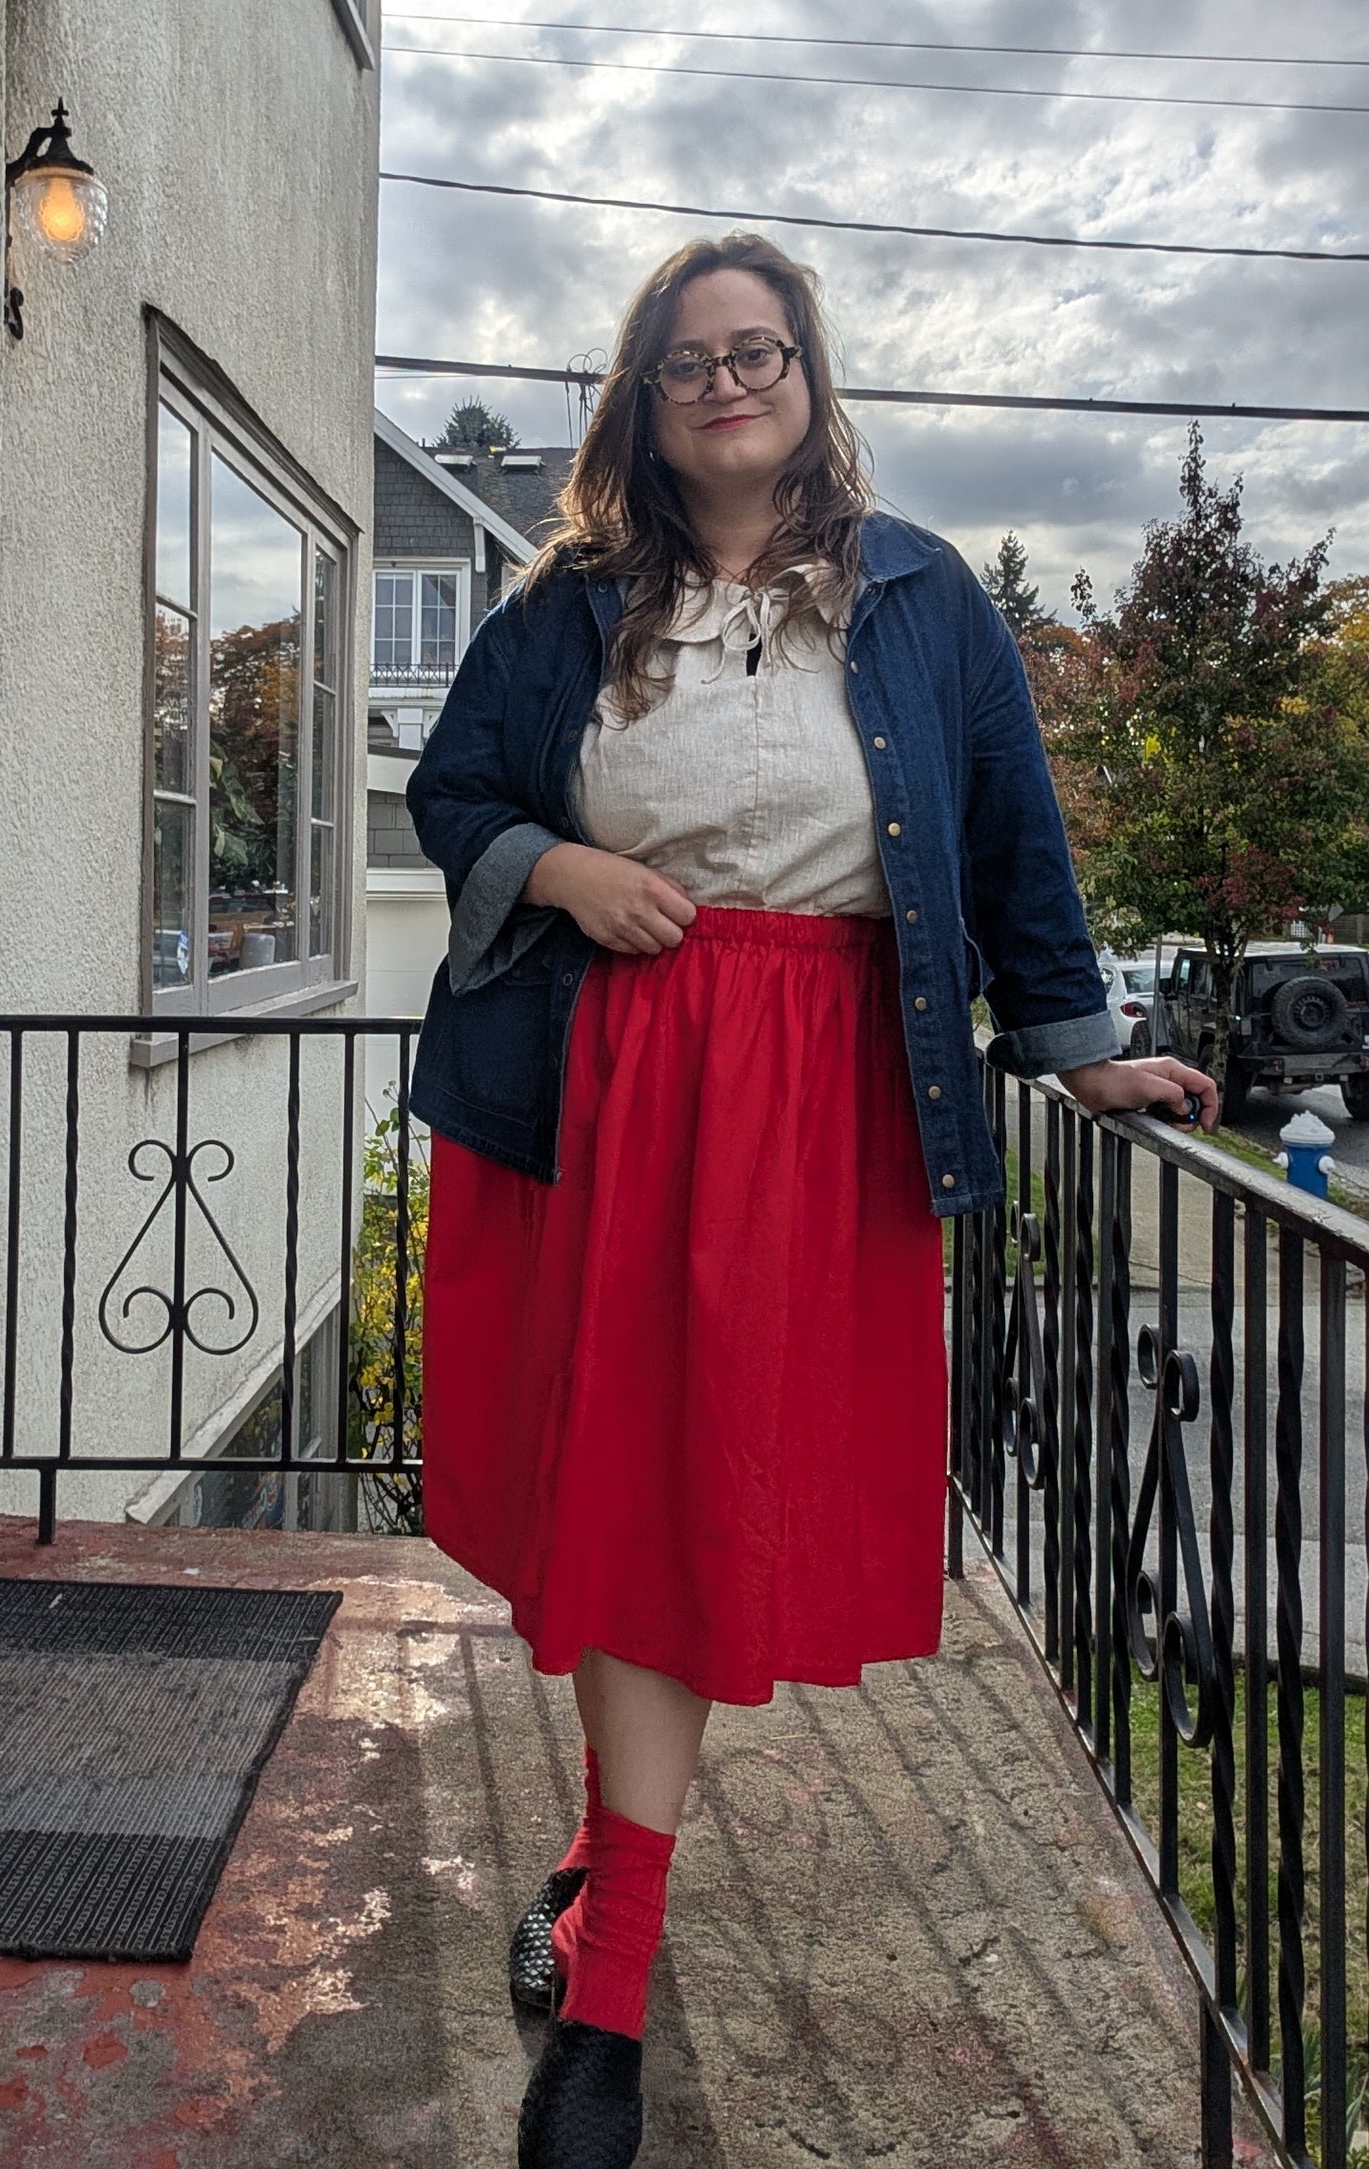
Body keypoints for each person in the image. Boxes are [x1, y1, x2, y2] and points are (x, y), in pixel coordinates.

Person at [405, 232, 1217, 2167]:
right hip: (614, 1080)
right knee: (627, 1500)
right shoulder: (570, 602)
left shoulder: (923, 594)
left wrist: (1076, 1037)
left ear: (808, 374)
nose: (726, 381)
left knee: (717, 1502)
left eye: (757, 350)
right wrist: (559, 871)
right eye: (689, 360)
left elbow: (1009, 834)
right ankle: (608, 2008)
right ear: (645, 397)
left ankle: (610, 1870)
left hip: (825, 1089)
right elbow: (450, 794)